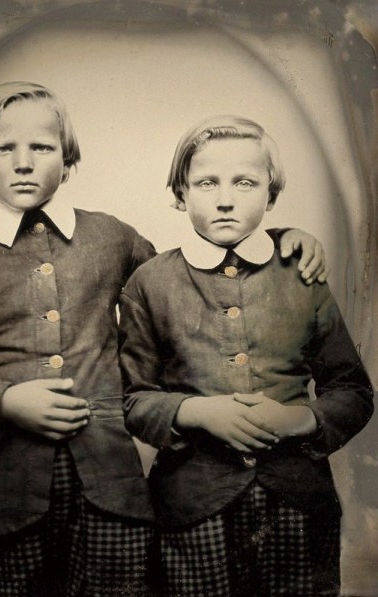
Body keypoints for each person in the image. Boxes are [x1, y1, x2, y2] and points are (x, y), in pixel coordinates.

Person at [0, 85, 328, 597]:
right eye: (3, 149)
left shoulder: (112, 237)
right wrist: (4, 401)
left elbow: (191, 282)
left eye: (42, 148)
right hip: (0, 499)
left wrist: (277, 244)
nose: (24, 163)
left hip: (112, 494)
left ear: (68, 159)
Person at [119, 115, 373, 597]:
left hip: (297, 502)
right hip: (192, 508)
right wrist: (197, 411)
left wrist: (296, 420)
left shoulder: (301, 271)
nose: (226, 198)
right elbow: (132, 401)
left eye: (246, 182)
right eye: (207, 182)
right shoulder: (150, 283)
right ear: (180, 194)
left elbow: (354, 392)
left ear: (271, 198)